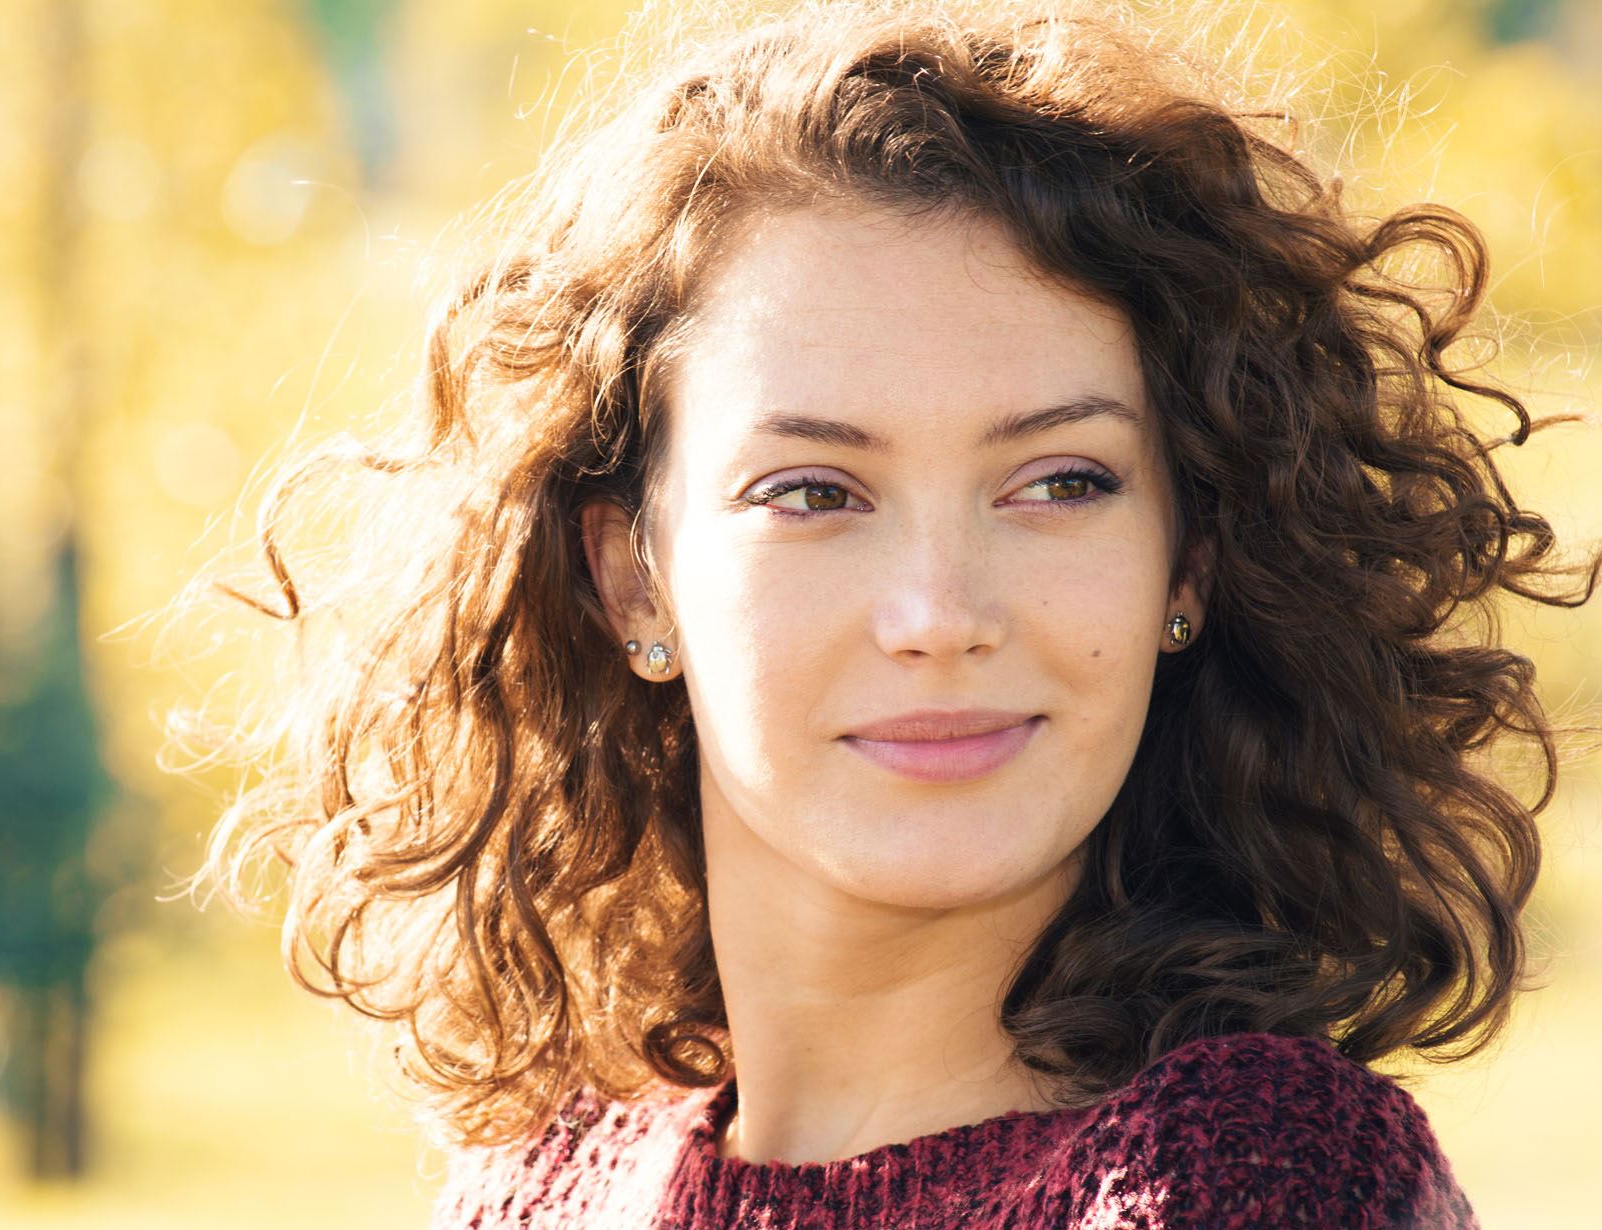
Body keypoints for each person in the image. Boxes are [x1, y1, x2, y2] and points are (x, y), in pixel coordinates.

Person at [176, 0, 1600, 1225]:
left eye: (1059, 481)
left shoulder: (1245, 1174)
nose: (940, 612)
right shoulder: (539, 1182)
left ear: (1190, 563)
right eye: (814, 492)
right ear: (632, 577)